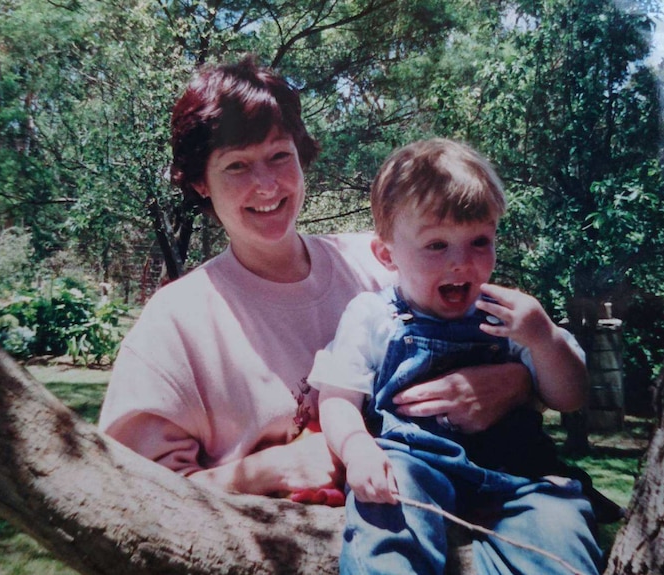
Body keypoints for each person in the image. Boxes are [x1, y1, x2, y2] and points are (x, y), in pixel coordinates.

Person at [97, 57, 534, 504]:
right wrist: (266, 469)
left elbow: (521, 340)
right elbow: (130, 493)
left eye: (279, 156)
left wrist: (516, 383)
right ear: (200, 182)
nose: (266, 184)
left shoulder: (385, 263)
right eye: (236, 166)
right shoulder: (174, 324)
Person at [308, 139, 603, 574]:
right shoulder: (373, 315)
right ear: (387, 255)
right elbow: (336, 398)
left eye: (479, 240)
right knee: (384, 519)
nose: (461, 262)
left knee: (559, 532)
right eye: (436, 245)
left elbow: (570, 396)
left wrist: (543, 340)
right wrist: (357, 450)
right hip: (413, 466)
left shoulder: (512, 314)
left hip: (517, 473)